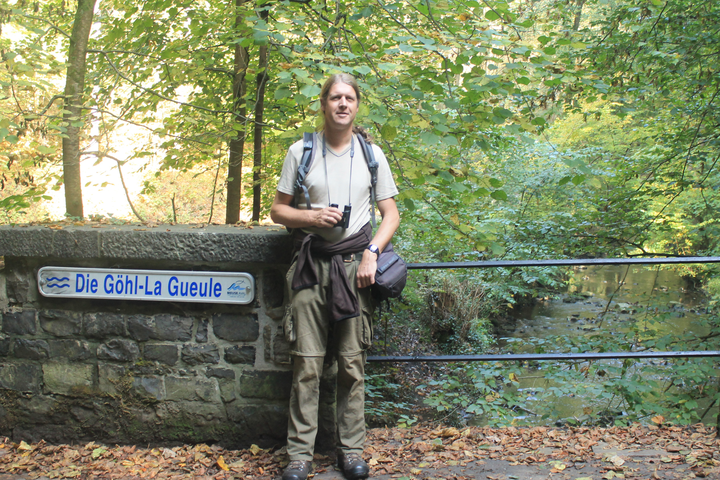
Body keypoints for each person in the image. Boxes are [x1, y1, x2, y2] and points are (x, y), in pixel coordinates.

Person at [270, 73, 400, 480]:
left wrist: (371, 254)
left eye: (350, 98)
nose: (343, 104)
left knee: (351, 366)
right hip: (310, 269)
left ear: (357, 105)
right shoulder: (301, 151)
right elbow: (278, 211)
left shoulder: (372, 155)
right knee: (306, 366)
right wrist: (309, 216)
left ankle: (351, 451)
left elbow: (391, 214)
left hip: (355, 271)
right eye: (335, 97)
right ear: (323, 104)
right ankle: (299, 457)